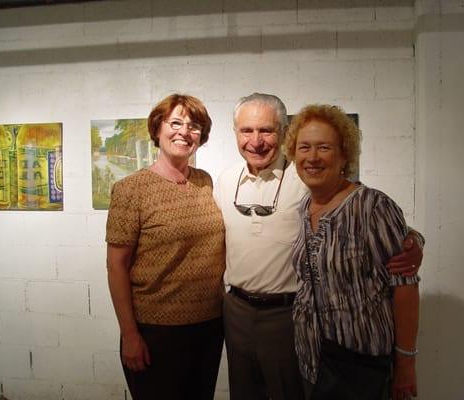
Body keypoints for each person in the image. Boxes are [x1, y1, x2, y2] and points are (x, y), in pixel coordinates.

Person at [213, 93, 423, 400]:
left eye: (266, 130)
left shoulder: (305, 180)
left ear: (283, 133)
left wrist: (414, 241)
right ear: (235, 133)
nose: (256, 141)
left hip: (294, 320)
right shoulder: (226, 181)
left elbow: (372, 219)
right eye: (247, 130)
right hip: (241, 314)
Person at [285, 104, 420, 400]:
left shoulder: (372, 206)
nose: (312, 157)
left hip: (361, 365)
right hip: (313, 360)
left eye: (324, 147)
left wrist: (406, 361)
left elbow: (405, 285)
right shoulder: (303, 208)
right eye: (304, 147)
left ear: (344, 155)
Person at [105, 94, 225, 400]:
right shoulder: (131, 189)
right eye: (175, 123)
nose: (184, 131)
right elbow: (116, 266)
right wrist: (130, 335)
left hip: (209, 327)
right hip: (155, 332)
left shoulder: (206, 183)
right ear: (158, 129)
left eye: (194, 125)